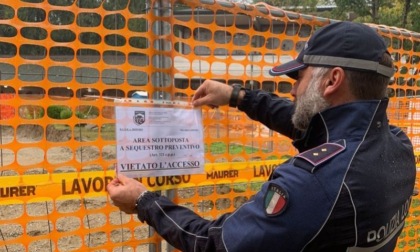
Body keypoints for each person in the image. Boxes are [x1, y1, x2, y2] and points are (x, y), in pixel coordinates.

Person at [107, 21, 416, 251]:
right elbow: (313, 127)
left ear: (333, 80)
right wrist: (237, 97)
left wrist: (143, 202)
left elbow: (216, 243)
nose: (293, 89)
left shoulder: (314, 184)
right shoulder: (397, 147)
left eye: (300, 77)